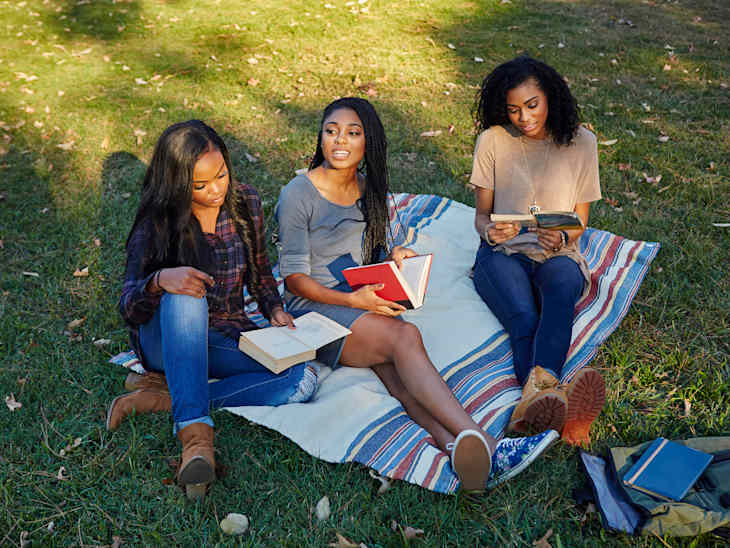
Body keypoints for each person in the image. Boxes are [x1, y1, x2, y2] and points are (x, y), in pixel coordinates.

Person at [276, 97, 558, 492]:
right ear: (320, 136)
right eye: (331, 130)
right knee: (403, 338)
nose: (340, 140)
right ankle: (490, 444)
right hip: (315, 309)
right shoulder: (297, 194)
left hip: (361, 294)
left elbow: (366, 252)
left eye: (353, 133)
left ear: (367, 142)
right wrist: (354, 301)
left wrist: (393, 257)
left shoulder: (366, 187)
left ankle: (455, 447)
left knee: (398, 376)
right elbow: (292, 280)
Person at [108, 120, 318, 498]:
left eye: (221, 175)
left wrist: (273, 310)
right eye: (200, 185)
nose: (216, 190)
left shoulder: (244, 202)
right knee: (186, 292)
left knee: (300, 379)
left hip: (223, 335)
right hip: (167, 338)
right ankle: (195, 439)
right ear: (176, 183)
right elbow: (128, 306)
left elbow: (260, 274)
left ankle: (164, 398)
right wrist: (160, 281)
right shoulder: (157, 223)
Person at [470, 55, 606, 446]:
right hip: (503, 254)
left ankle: (530, 408)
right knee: (525, 317)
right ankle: (549, 400)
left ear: (551, 97)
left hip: (557, 253)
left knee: (561, 293)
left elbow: (579, 220)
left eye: (532, 105)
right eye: (513, 109)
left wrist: (562, 239)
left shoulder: (582, 142)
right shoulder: (493, 141)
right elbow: (481, 217)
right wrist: (492, 232)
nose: (524, 117)